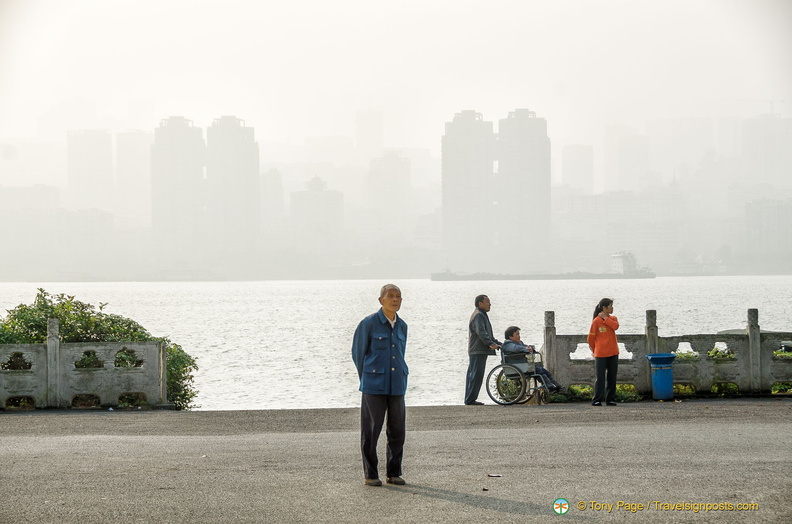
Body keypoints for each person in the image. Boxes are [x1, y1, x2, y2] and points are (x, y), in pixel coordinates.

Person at [351, 284, 408, 486]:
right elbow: (358, 354)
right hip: (373, 385)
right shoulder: (368, 324)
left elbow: (400, 354)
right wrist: (367, 378)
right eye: (390, 296)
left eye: (398, 297)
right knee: (371, 431)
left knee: (397, 431)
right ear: (381, 300)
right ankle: (371, 474)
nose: (395, 300)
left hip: (397, 385)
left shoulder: (402, 326)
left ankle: (394, 473)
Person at [501, 326, 564, 392]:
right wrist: (526, 349)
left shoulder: (519, 343)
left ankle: (556, 385)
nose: (519, 336)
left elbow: (527, 346)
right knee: (538, 370)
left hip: (522, 366)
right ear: (511, 337)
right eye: (517, 334)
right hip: (515, 366)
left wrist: (531, 348)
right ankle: (549, 385)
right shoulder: (507, 344)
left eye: (519, 334)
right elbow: (516, 349)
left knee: (544, 371)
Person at [464, 294, 501, 405]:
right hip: (477, 350)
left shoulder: (482, 314)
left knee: (474, 374)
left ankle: (469, 398)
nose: (490, 304)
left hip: (479, 349)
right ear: (480, 303)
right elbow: (481, 332)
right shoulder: (479, 315)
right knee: (476, 374)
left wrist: (497, 343)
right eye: (487, 302)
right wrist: (490, 343)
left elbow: (488, 334)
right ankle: (470, 399)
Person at [587, 298, 620, 406]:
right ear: (604, 308)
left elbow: (615, 326)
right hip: (601, 354)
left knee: (612, 377)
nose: (612, 308)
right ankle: (597, 399)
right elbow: (590, 339)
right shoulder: (596, 321)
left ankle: (610, 398)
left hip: (613, 352)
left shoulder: (613, 318)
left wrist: (605, 318)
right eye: (610, 306)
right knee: (600, 377)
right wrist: (594, 350)